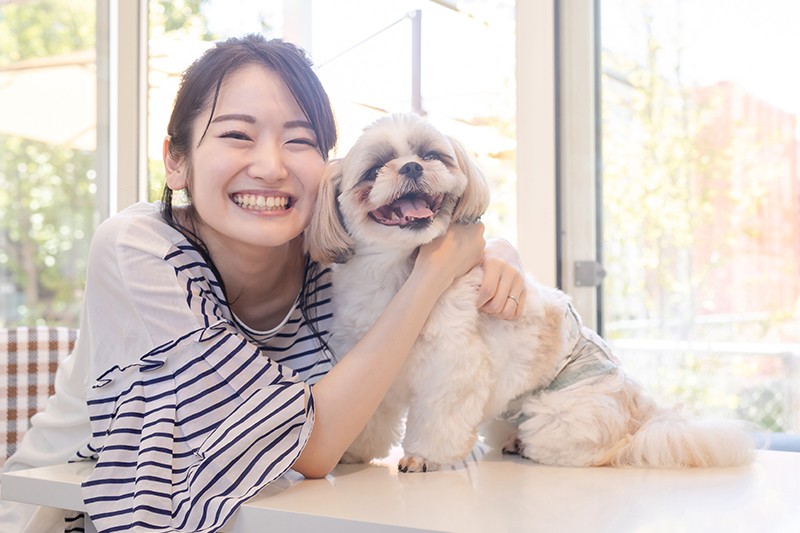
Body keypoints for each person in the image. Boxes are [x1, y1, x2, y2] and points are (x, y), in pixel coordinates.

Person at [0, 34, 526, 533]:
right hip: (78, 513)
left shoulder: (334, 259)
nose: (271, 167)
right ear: (175, 161)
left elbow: (456, 247)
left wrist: (498, 252)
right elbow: (312, 446)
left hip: (263, 509)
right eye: (236, 135)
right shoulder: (138, 249)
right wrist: (433, 275)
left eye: (300, 141)